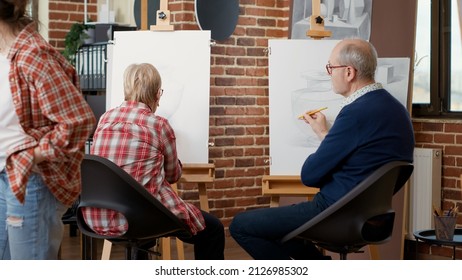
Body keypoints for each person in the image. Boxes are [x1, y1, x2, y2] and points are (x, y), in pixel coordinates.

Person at [229, 38, 415, 259]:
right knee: (278, 232)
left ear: (349, 72)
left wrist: (324, 145)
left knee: (240, 225)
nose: (329, 74)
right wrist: (324, 134)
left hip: (334, 213)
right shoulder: (397, 110)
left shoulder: (355, 113)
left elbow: (310, 175)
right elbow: (365, 162)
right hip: (371, 217)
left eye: (330, 67)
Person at [81, 63, 225, 260]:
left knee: (145, 206)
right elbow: (174, 176)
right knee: (213, 230)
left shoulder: (105, 119)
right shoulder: (159, 125)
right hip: (136, 219)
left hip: (95, 216)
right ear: (158, 94)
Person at [0, 0, 96, 260]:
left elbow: (77, 121)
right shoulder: (3, 55)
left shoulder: (32, 55)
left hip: (29, 178)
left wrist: (32, 156)